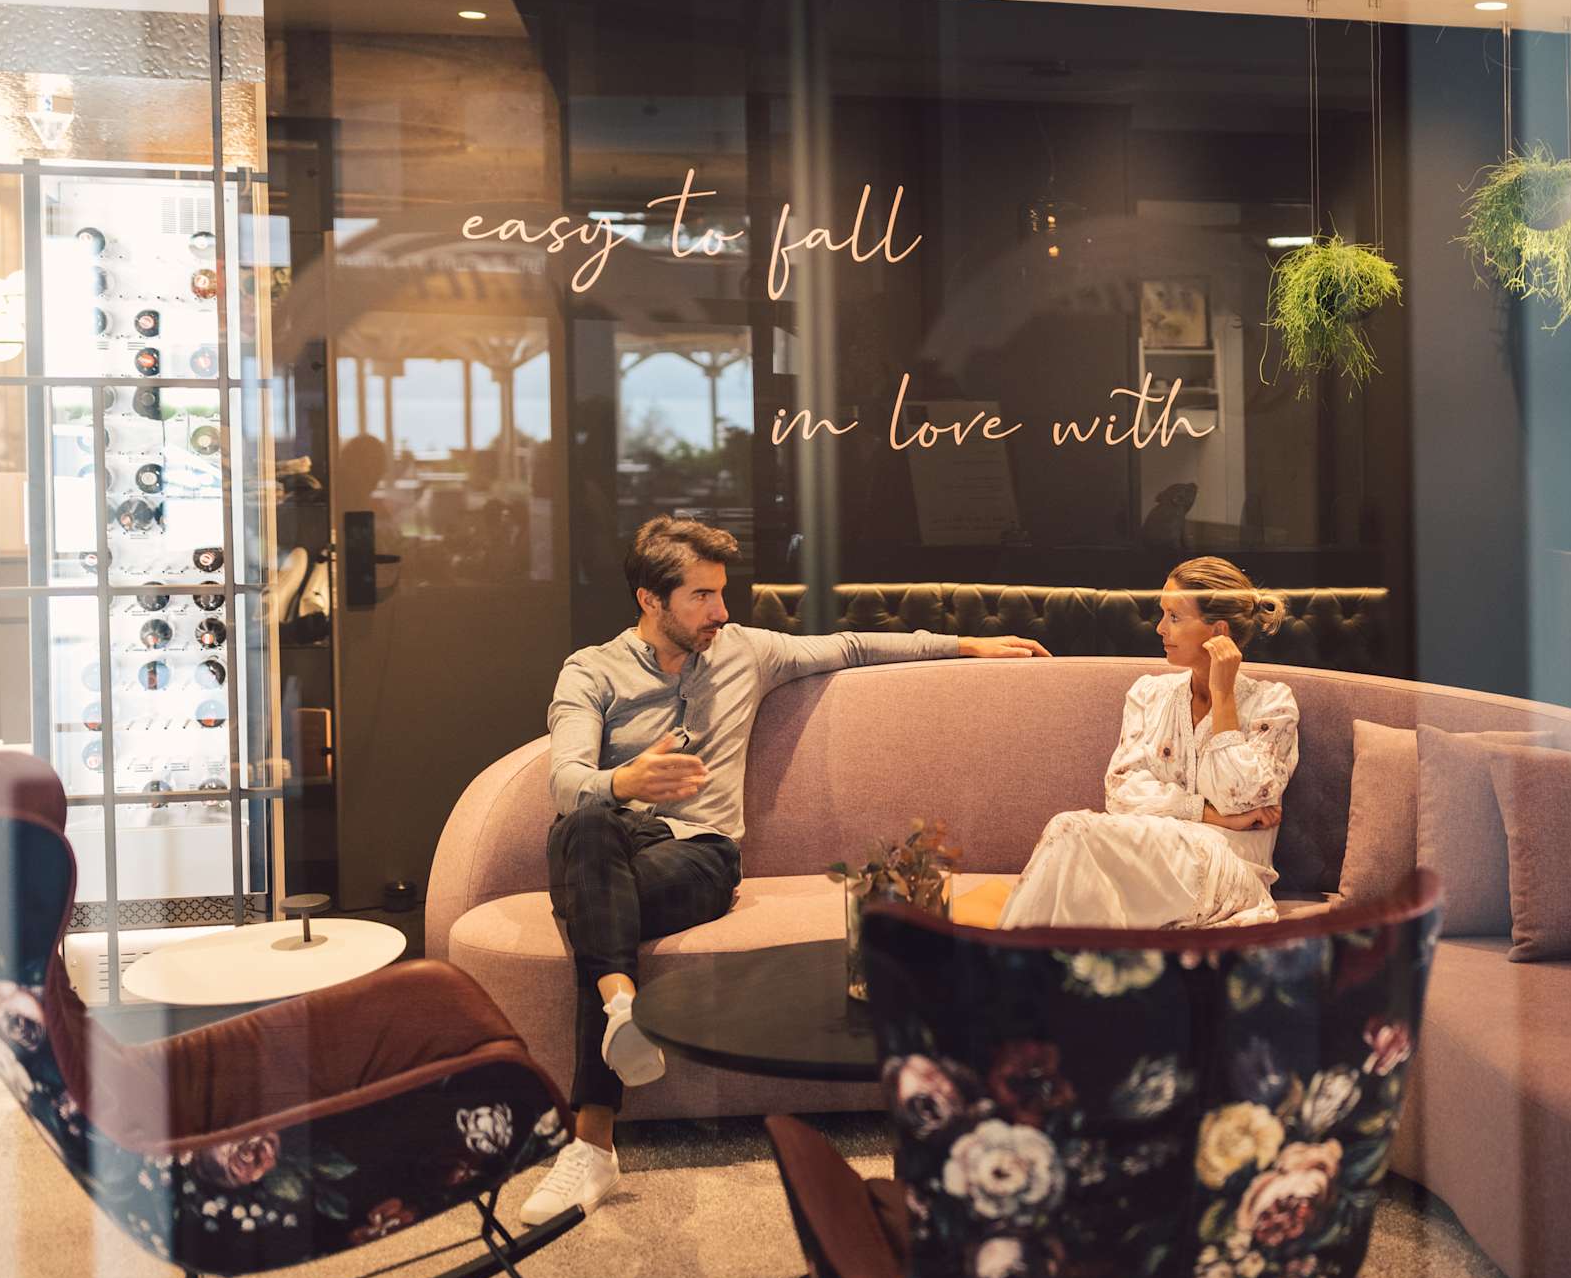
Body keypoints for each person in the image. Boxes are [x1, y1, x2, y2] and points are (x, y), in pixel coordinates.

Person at [521, 516, 1047, 1224]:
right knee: (586, 824)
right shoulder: (591, 670)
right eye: (701, 596)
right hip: (609, 842)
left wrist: (966, 643)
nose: (721, 612)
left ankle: (594, 1136)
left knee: (596, 907)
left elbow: (854, 645)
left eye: (722, 593)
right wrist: (625, 781)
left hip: (697, 855)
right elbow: (565, 781)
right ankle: (621, 1011)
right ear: (650, 600)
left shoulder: (747, 650)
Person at [997, 557, 1299, 930]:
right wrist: (1211, 815)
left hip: (1231, 872)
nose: (1160, 628)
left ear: (1218, 631)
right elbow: (1121, 793)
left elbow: (1239, 796)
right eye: (1162, 614)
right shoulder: (1148, 694)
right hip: (1151, 866)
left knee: (1072, 832)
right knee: (1070, 838)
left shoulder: (1273, 705)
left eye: (1175, 617)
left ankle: (1002, 956)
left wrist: (1223, 695)